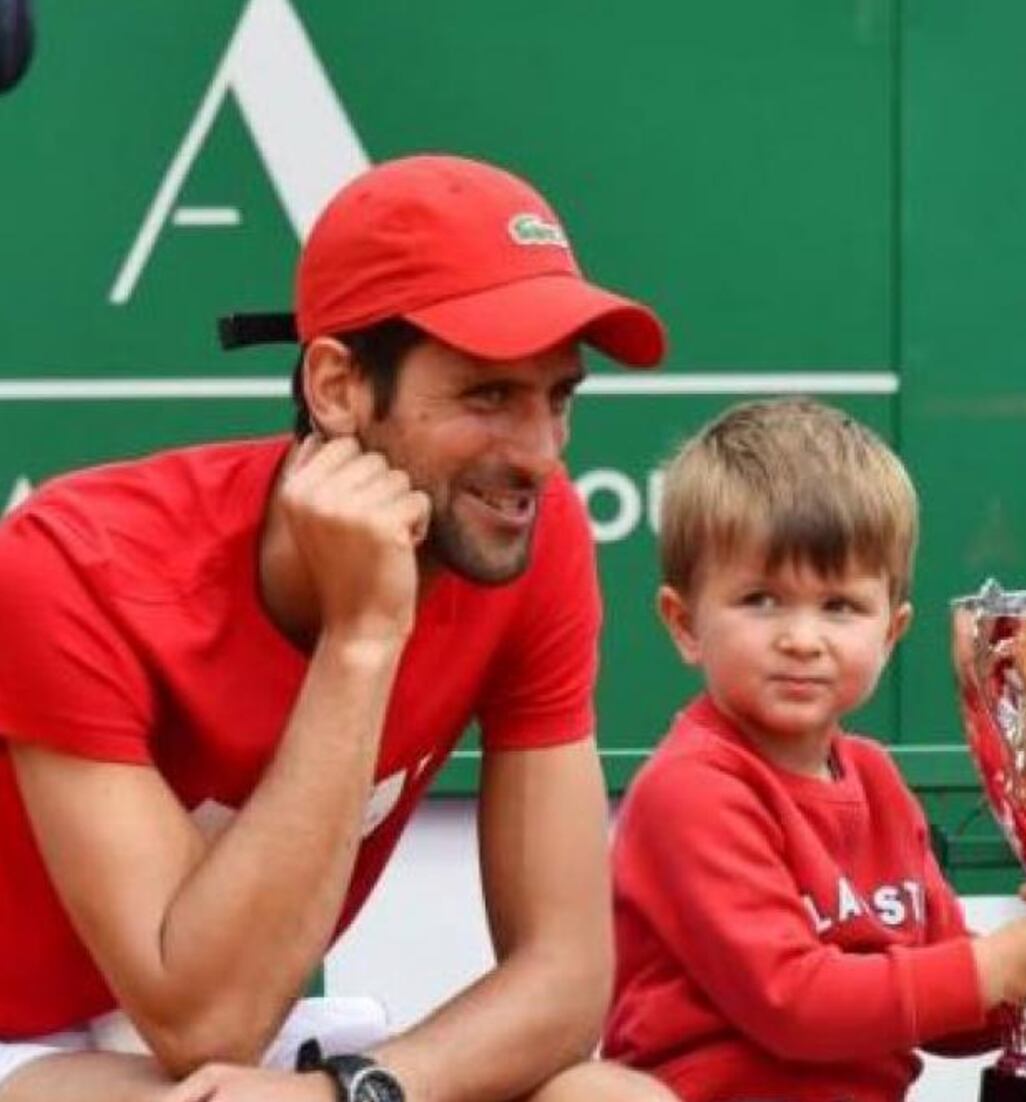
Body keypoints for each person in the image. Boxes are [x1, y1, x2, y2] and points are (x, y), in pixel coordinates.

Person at [0, 155, 678, 1102]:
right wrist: (362, 637)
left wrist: (357, 1090)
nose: (537, 455)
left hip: (246, 1049)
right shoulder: (69, 562)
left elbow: (565, 985)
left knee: (613, 1099)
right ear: (337, 387)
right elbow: (203, 1023)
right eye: (488, 397)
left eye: (556, 399)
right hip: (35, 1046)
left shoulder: (534, 529)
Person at [601, 398, 1026, 1102]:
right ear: (684, 625)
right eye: (761, 600)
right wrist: (997, 966)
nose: (803, 638)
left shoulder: (875, 778)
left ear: (892, 630)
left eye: (840, 606)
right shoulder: (691, 790)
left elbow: (942, 1008)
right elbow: (792, 1003)